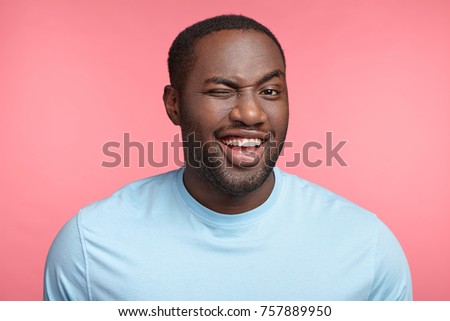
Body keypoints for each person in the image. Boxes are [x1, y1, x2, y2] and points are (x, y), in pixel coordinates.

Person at [44, 14, 412, 300]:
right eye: (222, 91)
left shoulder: (366, 245)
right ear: (174, 104)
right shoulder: (90, 245)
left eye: (269, 90)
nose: (251, 114)